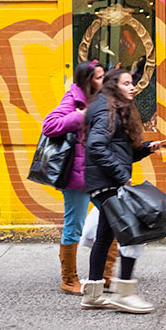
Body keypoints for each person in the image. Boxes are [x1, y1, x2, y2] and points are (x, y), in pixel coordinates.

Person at [80, 68, 165, 313]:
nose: (132, 87)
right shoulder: (107, 109)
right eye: (126, 83)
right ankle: (125, 294)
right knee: (133, 232)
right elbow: (96, 146)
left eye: (132, 83)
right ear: (113, 85)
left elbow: (119, 151)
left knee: (105, 238)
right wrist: (121, 176)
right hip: (107, 183)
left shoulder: (112, 108)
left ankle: (93, 294)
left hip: (103, 182)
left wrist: (146, 148)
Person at [41, 60, 104, 294]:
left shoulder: (100, 99)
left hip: (98, 174)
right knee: (74, 226)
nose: (103, 81)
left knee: (114, 215)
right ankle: (69, 280)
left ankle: (104, 276)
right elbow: (50, 125)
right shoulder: (73, 100)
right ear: (87, 81)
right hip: (77, 178)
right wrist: (81, 117)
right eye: (98, 77)